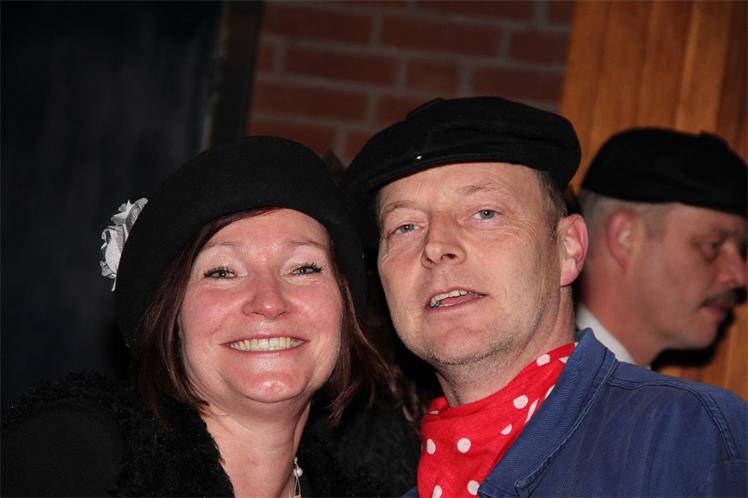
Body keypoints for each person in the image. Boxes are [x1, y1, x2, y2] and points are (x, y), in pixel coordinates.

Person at [341, 96, 748, 497]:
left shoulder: (684, 440)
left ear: (568, 248)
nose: (436, 245)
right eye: (405, 227)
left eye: (485, 213)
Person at [2, 136, 395, 497]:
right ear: (171, 316)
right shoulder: (81, 457)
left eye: (303, 268)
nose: (269, 302)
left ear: (345, 308)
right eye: (222, 272)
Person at [575, 128, 747, 366]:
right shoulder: (548, 382)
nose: (740, 277)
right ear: (626, 238)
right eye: (712, 246)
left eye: (742, 251)